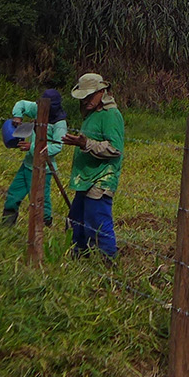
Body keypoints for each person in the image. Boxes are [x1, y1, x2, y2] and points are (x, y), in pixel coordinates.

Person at [60, 73, 123, 260]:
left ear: (102, 92)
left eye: (90, 96)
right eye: (83, 97)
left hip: (101, 178)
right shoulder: (91, 114)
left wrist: (85, 144)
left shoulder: (111, 115)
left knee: (98, 221)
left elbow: (114, 148)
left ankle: (109, 261)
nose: (86, 100)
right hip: (85, 178)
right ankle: (78, 257)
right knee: (76, 219)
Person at [0, 88, 66, 227]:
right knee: (13, 194)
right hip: (27, 164)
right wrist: (17, 116)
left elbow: (57, 147)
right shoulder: (38, 109)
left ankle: (44, 226)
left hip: (43, 168)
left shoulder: (59, 124)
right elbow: (21, 104)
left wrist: (33, 147)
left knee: (40, 200)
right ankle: (6, 226)